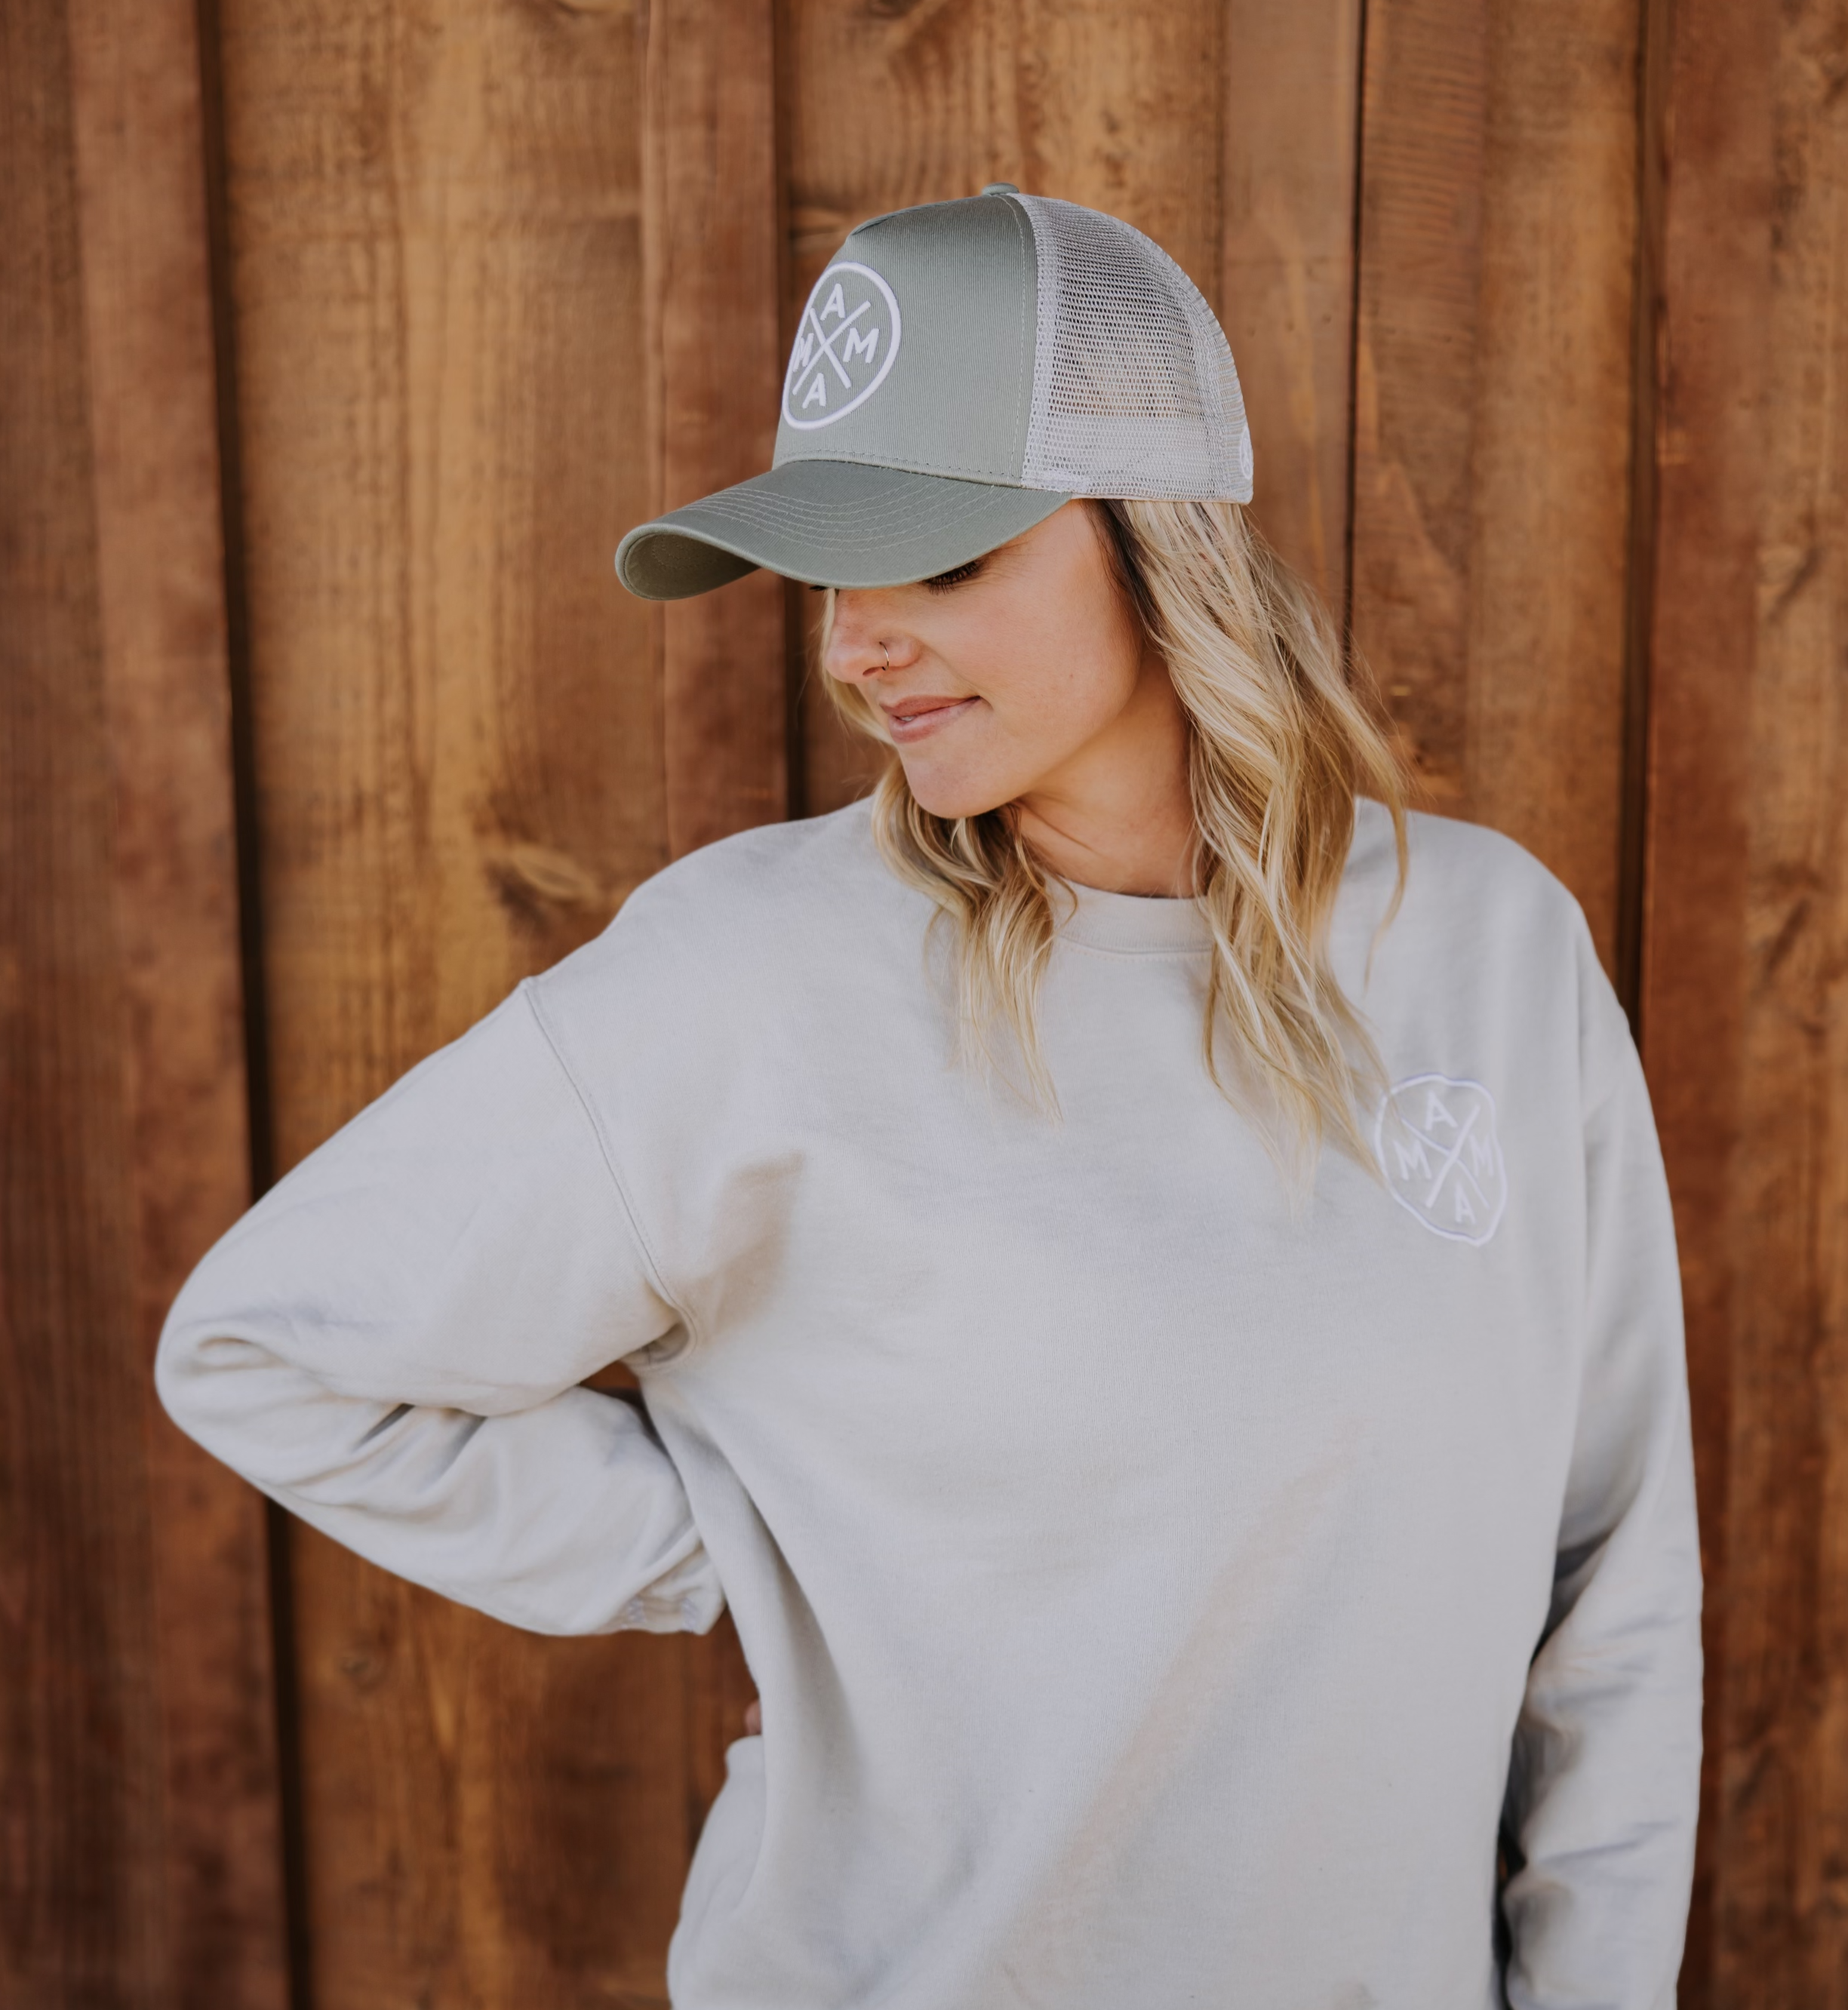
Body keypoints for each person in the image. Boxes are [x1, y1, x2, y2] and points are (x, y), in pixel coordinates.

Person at [158, 187, 1702, 2009]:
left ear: (1162, 542)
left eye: (942, 561)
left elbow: (1611, 1591)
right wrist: (733, 1549)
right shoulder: (747, 978)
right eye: (831, 570)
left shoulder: (1498, 952)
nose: (849, 644)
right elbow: (267, 1347)